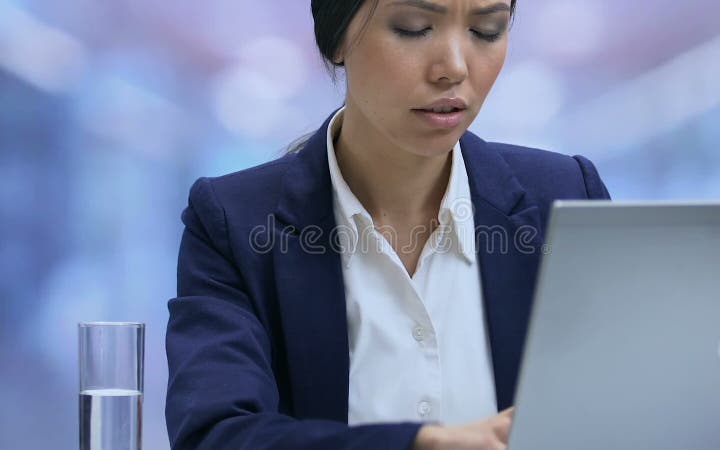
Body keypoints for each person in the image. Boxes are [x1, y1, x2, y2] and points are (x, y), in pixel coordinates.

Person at [165, 0, 610, 449]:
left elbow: (625, 407)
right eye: (414, 28)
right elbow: (216, 435)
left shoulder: (565, 198)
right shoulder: (233, 224)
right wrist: (422, 445)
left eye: (487, 31)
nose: (453, 68)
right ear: (336, 37)